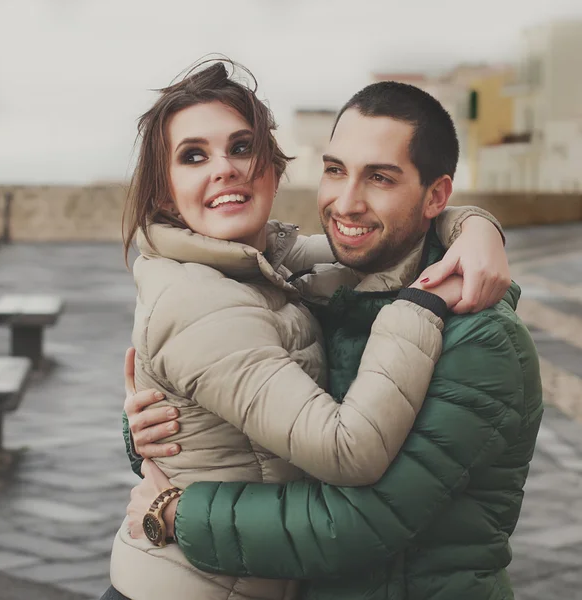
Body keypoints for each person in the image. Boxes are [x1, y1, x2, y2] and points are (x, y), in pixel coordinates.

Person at [105, 63, 517, 600]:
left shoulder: (266, 264)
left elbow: (374, 241)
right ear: (164, 194)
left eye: (242, 147)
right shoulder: (198, 297)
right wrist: (418, 306)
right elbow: (345, 453)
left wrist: (474, 225)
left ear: (273, 171)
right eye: (193, 156)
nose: (224, 168)